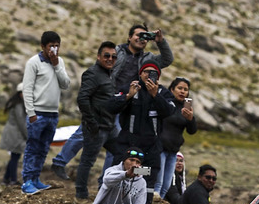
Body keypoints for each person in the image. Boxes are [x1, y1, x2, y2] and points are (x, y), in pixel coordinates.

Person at [51, 23, 174, 180]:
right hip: (108, 99)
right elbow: (101, 65)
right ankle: (60, 162)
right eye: (138, 35)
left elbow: (168, 59)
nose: (141, 39)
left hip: (128, 105)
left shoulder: (148, 58)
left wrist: (160, 41)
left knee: (116, 145)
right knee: (85, 132)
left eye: (145, 37)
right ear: (129, 37)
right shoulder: (116, 52)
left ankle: (106, 179)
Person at [109, 62, 175, 204]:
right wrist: (128, 97)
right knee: (119, 178)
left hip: (150, 151)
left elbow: (169, 111)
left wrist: (155, 96)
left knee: (146, 183)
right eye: (146, 72)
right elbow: (111, 106)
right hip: (127, 147)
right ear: (140, 74)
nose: (148, 75)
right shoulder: (130, 88)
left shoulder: (163, 92)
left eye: (153, 73)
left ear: (158, 76)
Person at [20, 30, 71, 195]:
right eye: (51, 46)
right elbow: (27, 89)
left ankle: (35, 179)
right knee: (32, 147)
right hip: (38, 113)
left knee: (43, 148)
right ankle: (27, 180)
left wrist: (56, 65)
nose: (54, 50)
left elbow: (65, 84)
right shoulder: (33, 63)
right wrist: (31, 112)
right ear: (43, 46)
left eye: (57, 46)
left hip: (52, 113)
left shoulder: (59, 62)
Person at [74, 41, 120, 200]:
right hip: (97, 127)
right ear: (99, 56)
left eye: (114, 56)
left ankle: (108, 188)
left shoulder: (110, 74)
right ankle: (80, 194)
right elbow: (82, 99)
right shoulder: (92, 73)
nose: (110, 59)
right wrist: (91, 122)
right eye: (106, 56)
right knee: (88, 160)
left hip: (110, 126)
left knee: (121, 153)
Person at [84, 147, 148, 204]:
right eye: (131, 160)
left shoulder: (141, 182)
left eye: (138, 162)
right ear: (124, 160)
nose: (134, 164)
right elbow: (106, 180)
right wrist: (125, 174)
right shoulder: (112, 170)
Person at [156, 77, 197, 199]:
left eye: (185, 89)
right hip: (160, 149)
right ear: (172, 89)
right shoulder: (166, 103)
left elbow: (192, 131)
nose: (182, 92)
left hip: (173, 152)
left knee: (166, 185)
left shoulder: (185, 109)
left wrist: (191, 119)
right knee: (158, 183)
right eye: (179, 88)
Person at [0, 83, 27, 186]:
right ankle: (13, 180)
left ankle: (6, 179)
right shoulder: (19, 106)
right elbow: (21, 122)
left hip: (13, 133)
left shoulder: (16, 104)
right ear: (20, 94)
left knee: (14, 156)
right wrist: (27, 136)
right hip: (15, 134)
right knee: (15, 157)